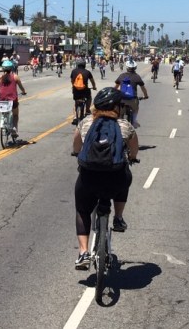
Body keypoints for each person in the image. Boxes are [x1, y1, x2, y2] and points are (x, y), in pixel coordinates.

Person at [72, 87, 139, 269]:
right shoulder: (125, 126)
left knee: (83, 210)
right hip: (115, 180)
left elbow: (76, 146)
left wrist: (76, 153)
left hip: (89, 179)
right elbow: (134, 150)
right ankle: (118, 217)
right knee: (125, 176)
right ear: (117, 107)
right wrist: (132, 158)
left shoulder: (85, 123)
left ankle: (83, 253)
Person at [0, 60, 27, 138]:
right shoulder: (15, 76)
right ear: (12, 68)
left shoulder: (0, 78)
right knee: (16, 115)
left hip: (2, 100)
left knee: (3, 113)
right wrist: (23, 92)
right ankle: (14, 129)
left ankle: (4, 123)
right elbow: (21, 87)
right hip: (12, 100)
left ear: (3, 69)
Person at [115, 60, 149, 128]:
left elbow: (115, 87)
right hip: (132, 100)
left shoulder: (122, 75)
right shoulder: (137, 77)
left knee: (118, 114)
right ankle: (134, 121)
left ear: (127, 67)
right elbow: (143, 89)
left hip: (122, 100)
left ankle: (117, 122)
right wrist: (145, 96)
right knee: (136, 108)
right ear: (135, 68)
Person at [70, 58, 97, 125]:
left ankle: (75, 117)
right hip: (85, 90)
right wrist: (94, 87)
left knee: (76, 102)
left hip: (76, 90)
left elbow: (72, 80)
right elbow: (92, 81)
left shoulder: (73, 71)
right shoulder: (87, 72)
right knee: (89, 97)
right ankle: (87, 110)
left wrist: (74, 86)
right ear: (84, 65)